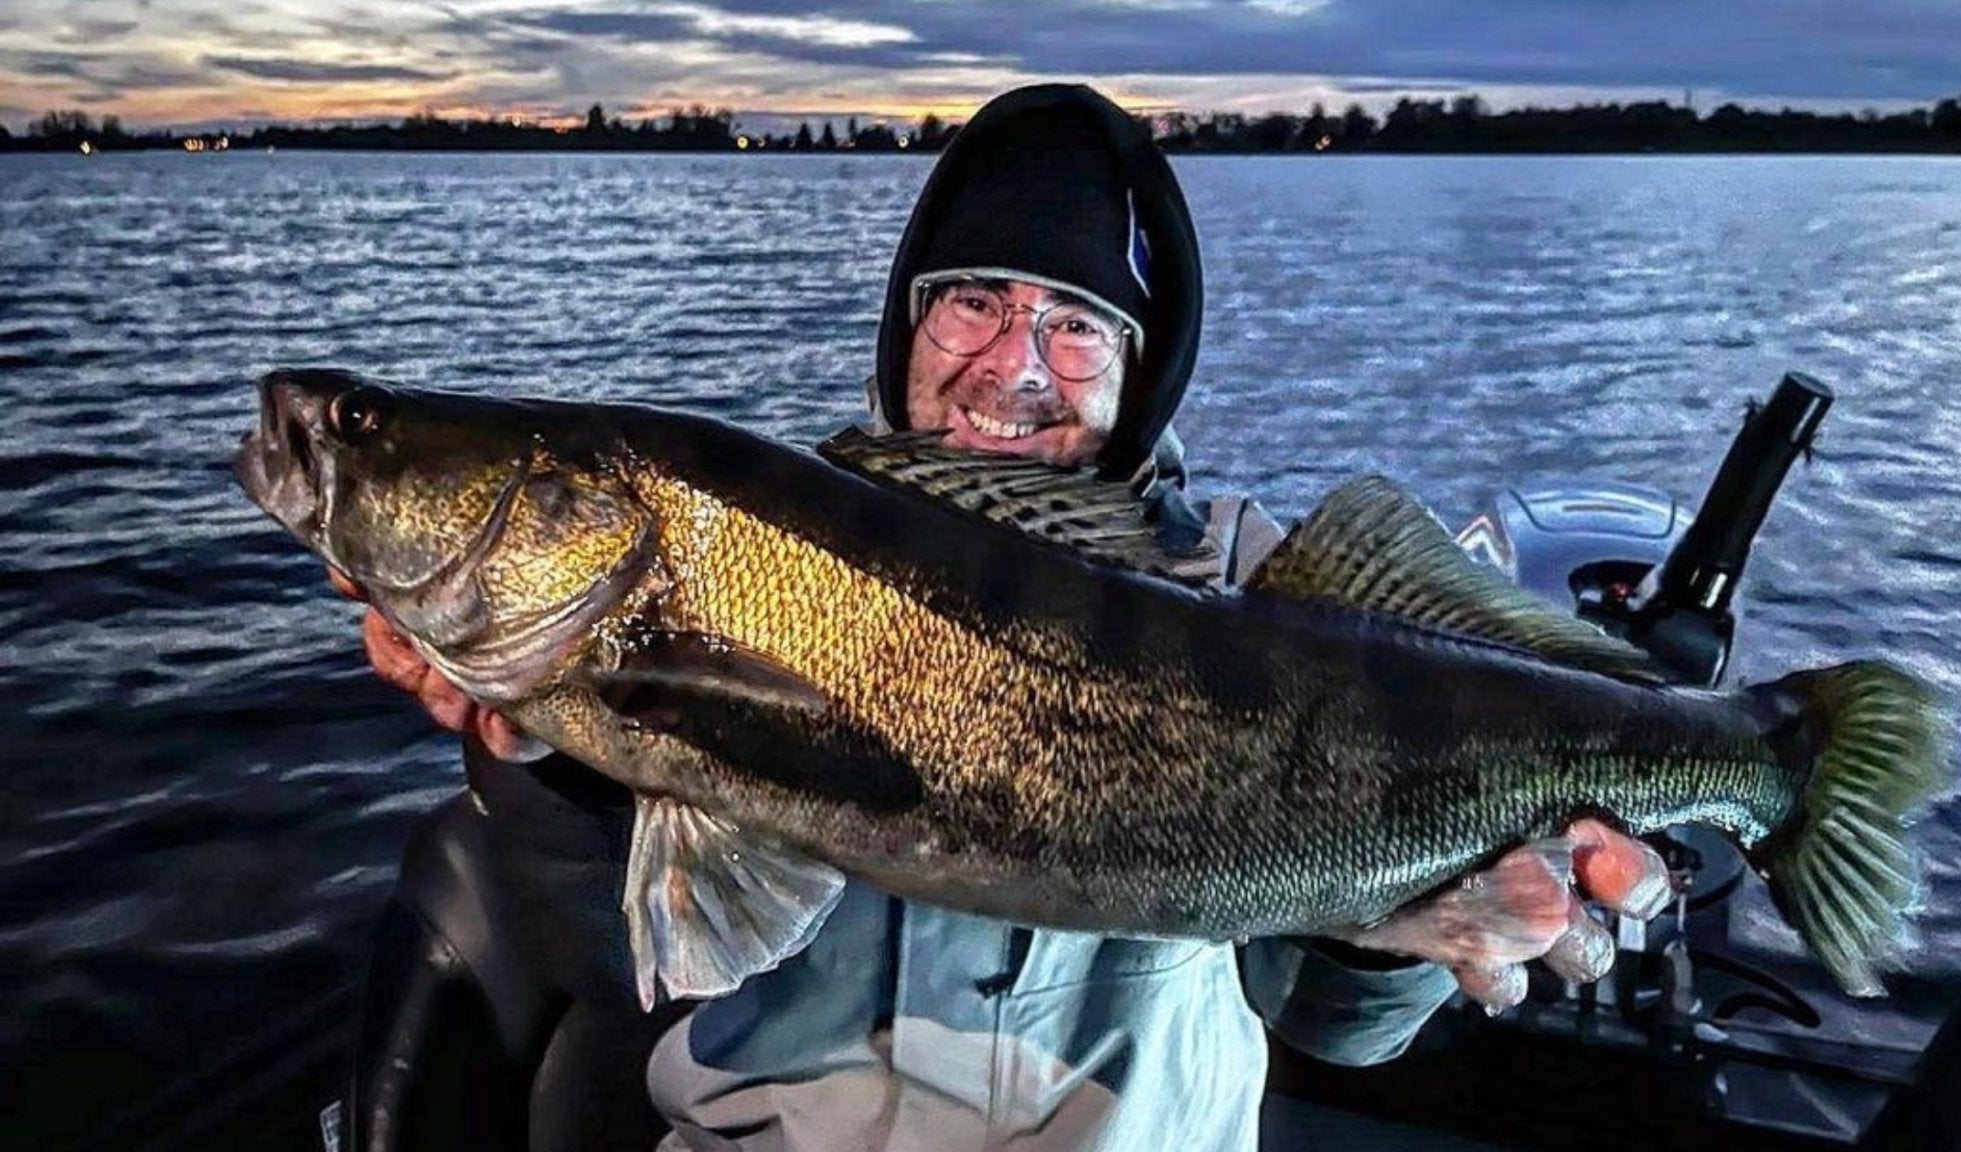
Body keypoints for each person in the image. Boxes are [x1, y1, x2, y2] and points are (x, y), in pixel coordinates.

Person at [337, 85, 1672, 1151]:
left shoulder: (1263, 600)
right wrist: (526, 763)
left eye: (1076, 324)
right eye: (973, 300)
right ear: (908, 325)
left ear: (1141, 369)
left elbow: (1340, 1031)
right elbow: (608, 952)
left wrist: (1442, 921)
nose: (1012, 368)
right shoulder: (744, 561)